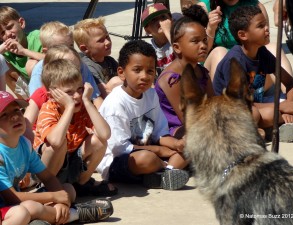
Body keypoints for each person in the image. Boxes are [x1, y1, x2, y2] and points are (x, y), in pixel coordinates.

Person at [0, 90, 113, 224]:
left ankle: (49, 217)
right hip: (10, 208)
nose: (14, 117)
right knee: (26, 210)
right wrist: (54, 197)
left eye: (17, 111)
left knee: (68, 190)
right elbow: (12, 198)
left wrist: (62, 200)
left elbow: (47, 177)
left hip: (15, 207)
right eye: (4, 115)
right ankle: (74, 214)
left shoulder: (24, 145)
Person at [97, 40, 189, 190]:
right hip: (119, 162)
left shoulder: (151, 95)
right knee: (146, 159)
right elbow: (119, 149)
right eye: (137, 70)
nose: (144, 76)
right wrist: (159, 151)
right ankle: (167, 170)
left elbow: (160, 134)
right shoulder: (116, 103)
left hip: (150, 151)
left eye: (150, 71)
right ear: (121, 72)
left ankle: (160, 176)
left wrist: (176, 144)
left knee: (190, 147)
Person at [213, 5, 293, 142]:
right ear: (243, 35)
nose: (267, 29)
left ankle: (282, 124)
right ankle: (280, 125)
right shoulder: (234, 62)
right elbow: (240, 104)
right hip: (233, 111)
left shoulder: (262, 52)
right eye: (260, 26)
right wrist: (281, 107)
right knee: (262, 114)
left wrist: (289, 104)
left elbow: (290, 83)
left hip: (258, 104)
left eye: (265, 24)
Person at [33, 59, 118, 197]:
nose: (77, 96)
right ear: (52, 95)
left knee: (99, 141)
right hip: (47, 170)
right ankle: (46, 188)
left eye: (80, 89)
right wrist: (69, 107)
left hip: (71, 162)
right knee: (57, 144)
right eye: (69, 92)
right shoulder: (49, 109)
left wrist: (87, 102)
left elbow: (105, 134)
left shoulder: (83, 106)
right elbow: (54, 141)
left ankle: (81, 185)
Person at [197, 0, 293, 85]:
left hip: (251, 73)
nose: (266, 29)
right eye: (260, 26)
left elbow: (263, 44)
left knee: (272, 48)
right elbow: (199, 56)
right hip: (221, 72)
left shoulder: (255, 5)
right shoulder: (204, 8)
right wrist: (210, 29)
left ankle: (292, 98)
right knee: (220, 52)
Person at [155, 4, 214, 139]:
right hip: (177, 130)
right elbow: (189, 120)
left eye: (205, 40)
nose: (203, 46)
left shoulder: (202, 72)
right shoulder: (171, 79)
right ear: (176, 47)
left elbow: (214, 103)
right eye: (195, 41)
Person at [28, 21, 102, 109]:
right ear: (46, 52)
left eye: (71, 46)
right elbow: (36, 105)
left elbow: (95, 97)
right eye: (61, 47)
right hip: (53, 113)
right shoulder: (40, 71)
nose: (68, 51)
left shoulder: (79, 64)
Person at [0, 6, 44, 99]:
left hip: (49, 85)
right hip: (29, 91)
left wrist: (24, 51)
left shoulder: (38, 37)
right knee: (2, 62)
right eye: (2, 33)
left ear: (21, 23)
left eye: (10, 27)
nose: (7, 34)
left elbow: (58, 57)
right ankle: (28, 104)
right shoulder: (6, 53)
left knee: (32, 64)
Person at [73, 17, 122, 97]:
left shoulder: (109, 60)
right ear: (85, 48)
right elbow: (102, 92)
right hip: (102, 101)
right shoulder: (87, 66)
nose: (108, 42)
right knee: (116, 81)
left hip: (114, 96)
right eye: (101, 40)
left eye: (107, 37)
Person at [141, 3, 176, 76]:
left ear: (171, 21)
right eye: (154, 20)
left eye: (163, 17)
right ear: (147, 30)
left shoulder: (181, 37)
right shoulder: (147, 48)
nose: (160, 22)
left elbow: (185, 58)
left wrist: (168, 32)